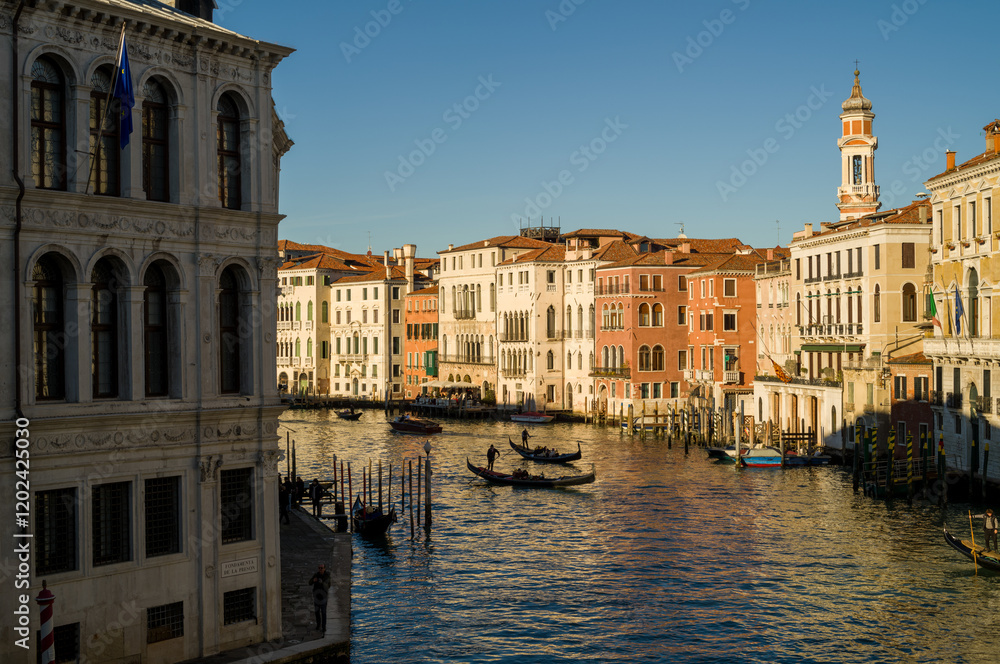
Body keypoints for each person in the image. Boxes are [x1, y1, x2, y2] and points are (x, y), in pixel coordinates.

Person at [309, 563, 332, 632]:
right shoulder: (316, 575)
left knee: (323, 612)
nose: (320, 569)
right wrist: (313, 580)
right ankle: (318, 624)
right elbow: (309, 582)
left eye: (321, 568)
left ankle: (323, 626)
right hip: (316, 596)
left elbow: (328, 586)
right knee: (317, 612)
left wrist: (322, 583)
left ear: (324, 569)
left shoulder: (327, 576)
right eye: (319, 568)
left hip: (323, 596)